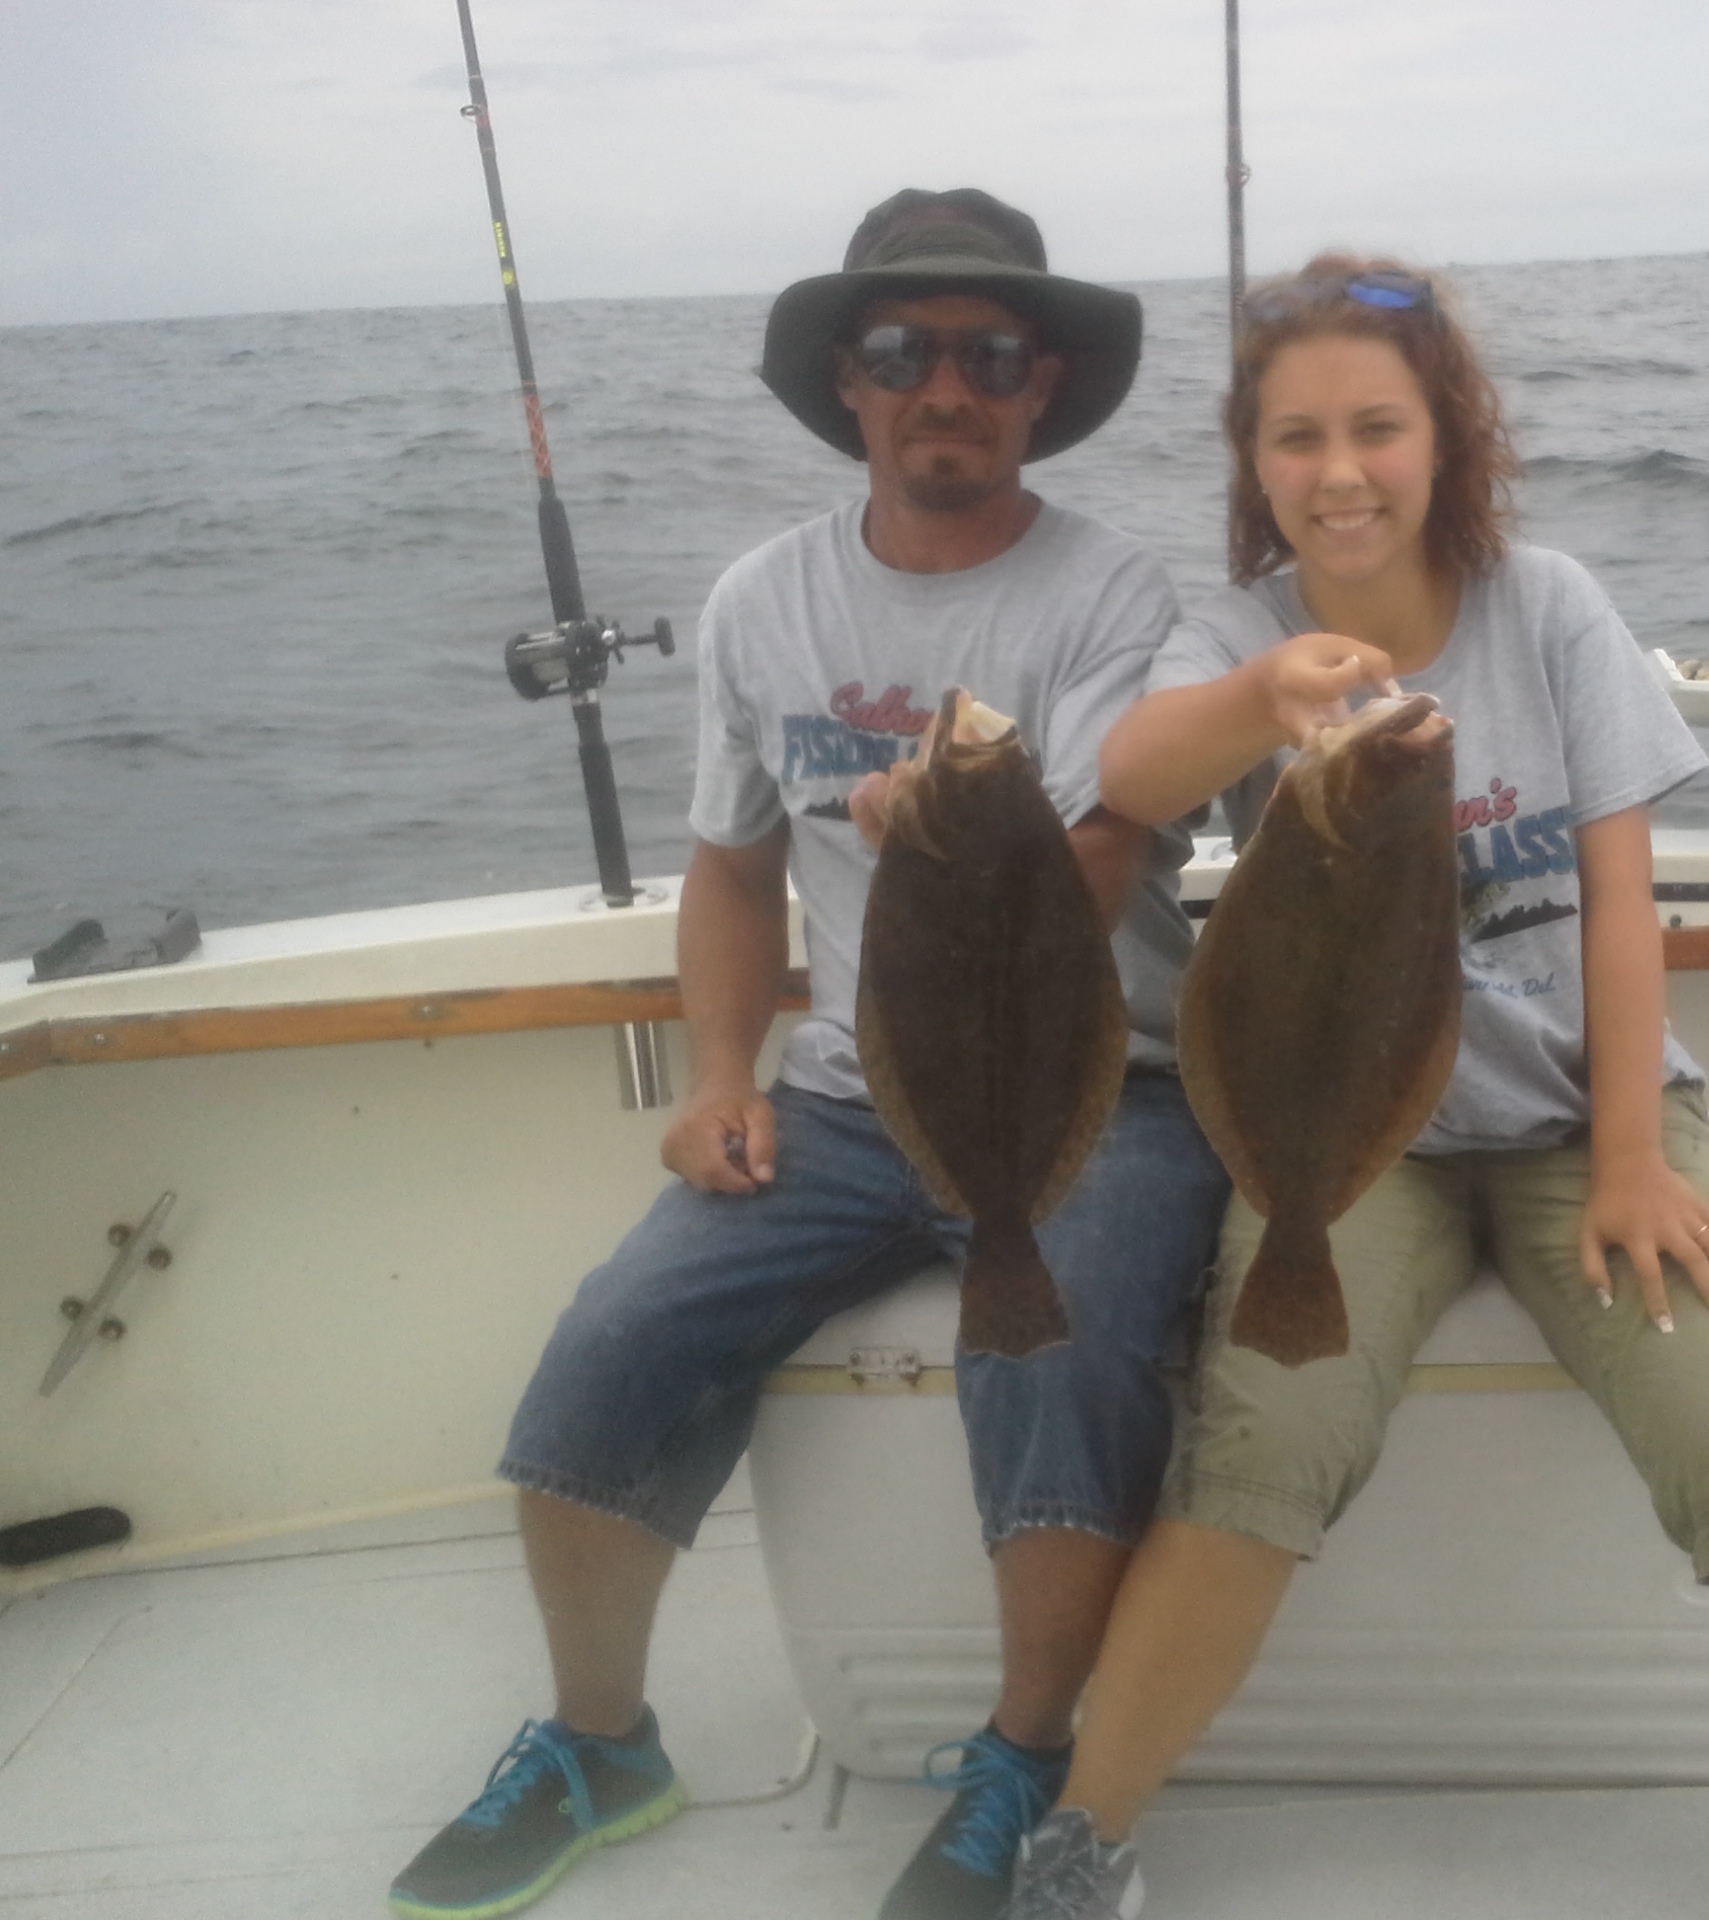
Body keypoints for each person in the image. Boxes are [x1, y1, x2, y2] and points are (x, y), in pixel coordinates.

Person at [994, 257, 1709, 1920]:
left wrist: (1629, 1156)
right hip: (1346, 1149)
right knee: (1262, 1448)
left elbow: (1622, 905)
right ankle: (1085, 1838)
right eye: (1296, 437)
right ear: (1253, 461)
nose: (1340, 471)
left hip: (1580, 1123)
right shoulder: (1239, 637)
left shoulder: (1547, 608)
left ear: (1448, 436)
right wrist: (1266, 699)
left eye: (1379, 428)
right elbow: (1128, 770)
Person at [387, 190, 1229, 1920]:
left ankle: (1025, 1757)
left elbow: (1099, 858)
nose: (945, 386)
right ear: (847, 380)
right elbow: (731, 868)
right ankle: (601, 1740)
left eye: (988, 353)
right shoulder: (762, 599)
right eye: (902, 350)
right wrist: (717, 1078)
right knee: (617, 1336)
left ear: (1041, 383)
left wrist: (964, 830)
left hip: (1097, 1089)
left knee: (1052, 1348)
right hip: (850, 1097)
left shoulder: (1113, 593)